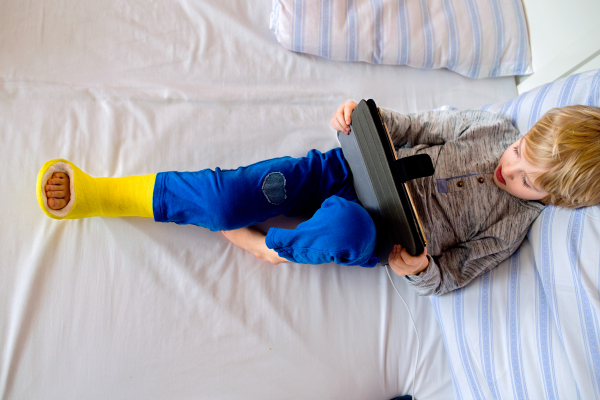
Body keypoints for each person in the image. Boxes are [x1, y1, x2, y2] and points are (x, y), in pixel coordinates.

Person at [38, 102, 600, 295]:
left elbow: (455, 276)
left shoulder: (511, 225)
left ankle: (270, 247)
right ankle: (99, 193)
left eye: (528, 179)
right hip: (337, 170)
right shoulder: (492, 129)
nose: (511, 169)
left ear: (553, 200)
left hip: (374, 232)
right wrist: (361, 119)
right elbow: (416, 125)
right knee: (228, 196)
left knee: (346, 231)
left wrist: (419, 271)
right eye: (523, 150)